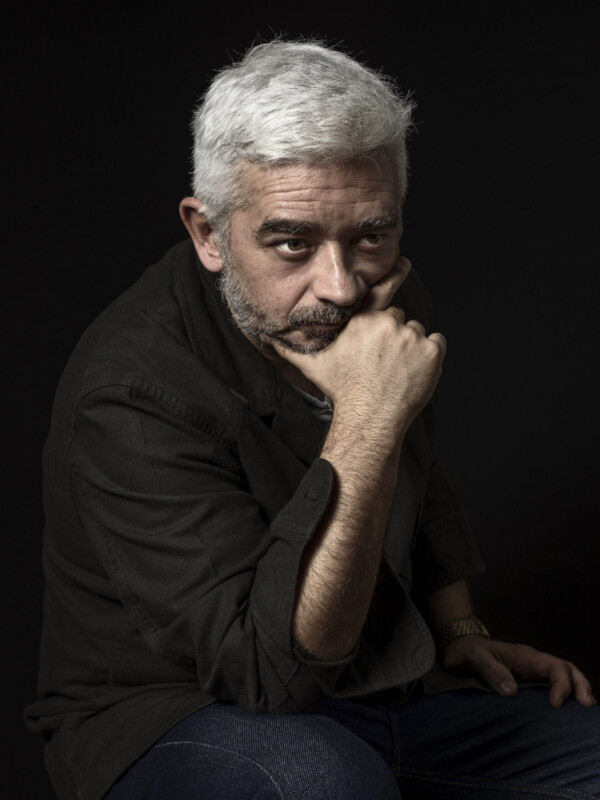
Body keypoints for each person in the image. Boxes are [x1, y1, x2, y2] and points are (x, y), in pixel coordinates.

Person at [26, 40, 599, 800]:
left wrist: (460, 633)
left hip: (375, 686)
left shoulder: (377, 290)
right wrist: (368, 410)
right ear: (208, 234)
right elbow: (270, 677)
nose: (339, 286)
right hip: (179, 711)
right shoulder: (130, 395)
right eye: (292, 241)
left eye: (371, 233)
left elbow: (420, 475)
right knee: (321, 783)